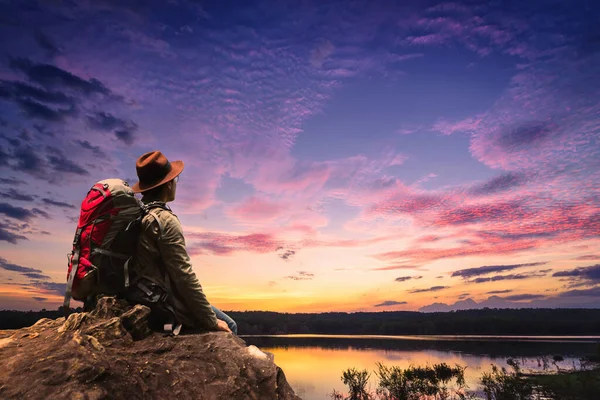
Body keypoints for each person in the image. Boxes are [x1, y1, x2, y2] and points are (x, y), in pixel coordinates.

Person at [131, 150, 237, 335]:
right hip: (158, 302)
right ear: (168, 184)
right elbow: (184, 276)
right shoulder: (164, 220)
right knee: (230, 326)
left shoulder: (138, 214)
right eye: (175, 179)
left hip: (137, 295)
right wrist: (210, 321)